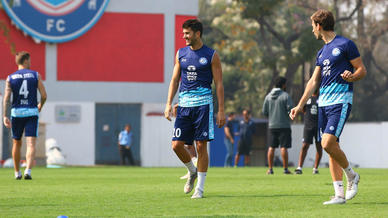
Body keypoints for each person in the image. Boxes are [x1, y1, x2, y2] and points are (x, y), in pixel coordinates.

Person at [290, 9, 366, 205]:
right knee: (332, 148)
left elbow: (361, 70)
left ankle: (352, 175)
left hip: (340, 102)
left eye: (313, 26)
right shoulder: (321, 52)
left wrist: (353, 76)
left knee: (327, 143)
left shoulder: (346, 44)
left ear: (319, 26)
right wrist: (299, 106)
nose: (312, 30)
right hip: (323, 104)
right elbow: (313, 81)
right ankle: (339, 195)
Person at [164, 19, 225, 199]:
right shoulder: (180, 54)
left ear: (197, 33)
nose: (184, 37)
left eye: (187, 33)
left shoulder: (211, 55)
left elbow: (219, 84)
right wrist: (168, 103)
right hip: (183, 106)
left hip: (203, 106)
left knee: (201, 146)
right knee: (176, 145)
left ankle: (200, 188)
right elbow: (175, 80)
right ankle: (192, 171)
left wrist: (221, 110)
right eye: (183, 33)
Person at [3, 51, 47, 180]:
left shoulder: (10, 78)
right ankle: (28, 170)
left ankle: (17, 173)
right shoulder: (35, 75)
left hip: (17, 113)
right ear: (26, 60)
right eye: (30, 60)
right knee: (31, 144)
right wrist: (40, 106)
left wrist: (4, 116)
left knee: (16, 143)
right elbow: (44, 96)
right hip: (31, 112)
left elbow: (6, 99)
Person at [263, 77, 293, 175]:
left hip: (272, 125)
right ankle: (285, 169)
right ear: (283, 85)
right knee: (283, 148)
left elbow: (265, 112)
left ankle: (270, 169)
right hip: (284, 125)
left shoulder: (268, 96)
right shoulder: (285, 96)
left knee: (271, 147)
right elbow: (291, 110)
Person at [295, 89, 322, 174]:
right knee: (305, 146)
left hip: (319, 126)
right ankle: (299, 167)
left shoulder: (322, 99)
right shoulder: (307, 99)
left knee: (319, 146)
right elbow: (303, 109)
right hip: (308, 126)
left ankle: (315, 168)